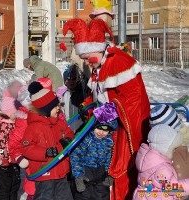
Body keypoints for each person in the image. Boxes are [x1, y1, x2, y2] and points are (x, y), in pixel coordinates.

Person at [63, 18, 151, 200]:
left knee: (121, 172)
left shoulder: (119, 63)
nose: (87, 63)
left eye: (87, 58)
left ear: (96, 49)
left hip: (124, 133)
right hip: (109, 130)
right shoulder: (99, 65)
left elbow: (130, 103)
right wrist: (87, 105)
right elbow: (100, 94)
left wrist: (100, 114)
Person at [21, 81, 74, 200]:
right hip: (45, 173)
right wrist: (45, 152)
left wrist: (68, 139)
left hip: (61, 171)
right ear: (45, 109)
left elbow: (69, 132)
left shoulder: (59, 123)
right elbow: (26, 148)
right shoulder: (33, 127)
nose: (59, 109)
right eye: (55, 107)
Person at [70, 102, 119, 200]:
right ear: (93, 126)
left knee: (102, 196)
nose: (101, 133)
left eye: (105, 130)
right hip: (85, 174)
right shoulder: (85, 138)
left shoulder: (108, 141)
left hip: (100, 176)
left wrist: (108, 173)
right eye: (98, 128)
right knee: (83, 196)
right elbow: (76, 156)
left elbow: (109, 158)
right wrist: (78, 176)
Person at [133, 124, 189, 199]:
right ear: (165, 149)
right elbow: (172, 188)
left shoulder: (148, 161)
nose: (175, 151)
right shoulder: (162, 169)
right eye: (173, 148)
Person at [0, 80, 22, 200]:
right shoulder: (1, 126)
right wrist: (2, 158)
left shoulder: (13, 123)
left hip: (13, 160)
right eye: (15, 112)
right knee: (5, 187)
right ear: (8, 113)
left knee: (15, 184)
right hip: (2, 162)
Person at [7, 84, 35, 200]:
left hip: (42, 153)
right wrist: (18, 156)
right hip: (30, 155)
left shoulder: (39, 113)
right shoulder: (23, 120)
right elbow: (14, 139)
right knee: (32, 180)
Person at [58, 63, 90, 132]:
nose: (71, 81)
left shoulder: (81, 92)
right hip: (70, 126)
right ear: (65, 81)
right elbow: (63, 110)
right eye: (68, 79)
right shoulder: (64, 94)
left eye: (74, 79)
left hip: (81, 126)